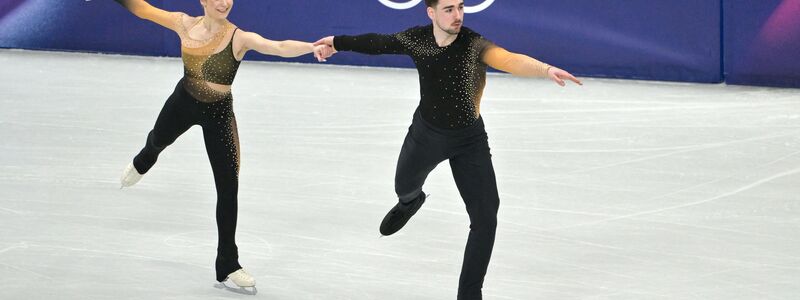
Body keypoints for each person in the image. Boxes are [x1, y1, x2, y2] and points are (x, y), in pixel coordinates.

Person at [314, 0, 581, 298]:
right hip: (426, 135)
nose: (458, 15)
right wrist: (337, 42)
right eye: (449, 9)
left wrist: (544, 69)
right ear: (431, 12)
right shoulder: (417, 40)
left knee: (485, 217)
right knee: (403, 186)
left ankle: (469, 294)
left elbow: (507, 59)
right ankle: (410, 203)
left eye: (461, 7)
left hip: (469, 141)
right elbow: (379, 42)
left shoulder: (473, 44)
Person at [113, 0, 333, 289]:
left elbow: (277, 46)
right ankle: (144, 161)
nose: (224, 3)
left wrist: (310, 47)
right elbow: (143, 9)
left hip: (219, 115)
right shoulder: (183, 23)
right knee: (157, 140)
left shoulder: (238, 37)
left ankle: (228, 263)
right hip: (182, 103)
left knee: (228, 189)